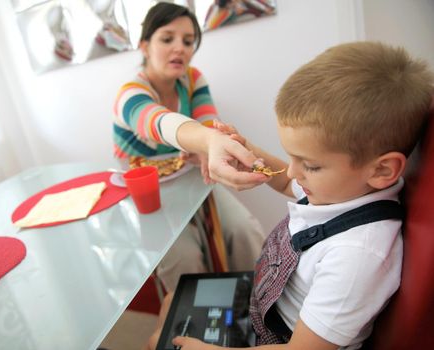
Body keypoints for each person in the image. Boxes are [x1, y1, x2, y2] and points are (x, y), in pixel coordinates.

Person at [145, 41, 434, 350]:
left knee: (158, 342)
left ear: (382, 170)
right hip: (263, 306)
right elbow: (285, 181)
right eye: (292, 157)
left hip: (281, 340)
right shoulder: (344, 189)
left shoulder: (358, 253)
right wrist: (248, 150)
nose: (294, 172)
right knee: (175, 300)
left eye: (309, 165)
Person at [113, 2, 266, 291]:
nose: (180, 48)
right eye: (167, 39)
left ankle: (258, 305)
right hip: (149, 192)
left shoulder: (193, 79)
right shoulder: (130, 94)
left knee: (244, 230)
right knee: (183, 257)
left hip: (192, 175)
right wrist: (208, 142)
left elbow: (210, 122)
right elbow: (157, 122)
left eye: (188, 41)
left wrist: (208, 144)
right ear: (144, 45)